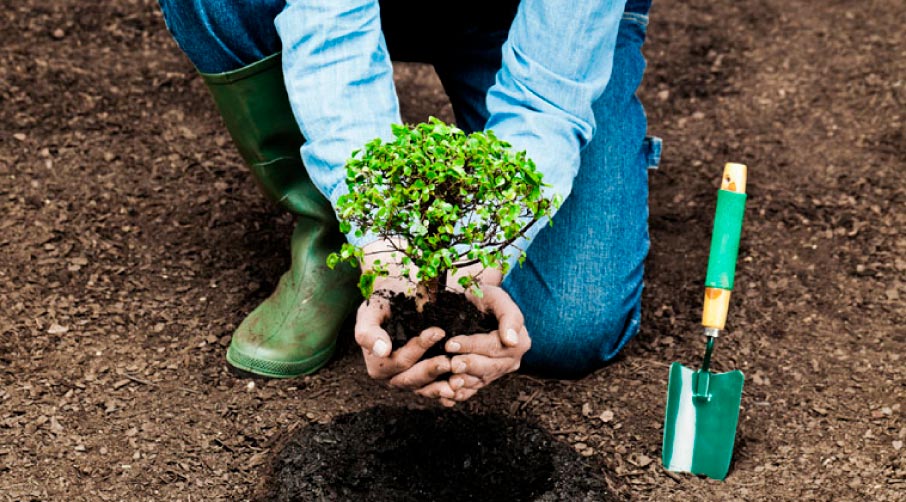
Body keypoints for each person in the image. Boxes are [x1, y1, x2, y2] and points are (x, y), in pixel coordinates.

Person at [157, 0, 661, 406]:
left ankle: (448, 214)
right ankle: (333, 231)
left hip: (534, 26)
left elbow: (547, 97)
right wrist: (382, 238)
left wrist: (482, 255)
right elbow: (331, 31)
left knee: (565, 327)